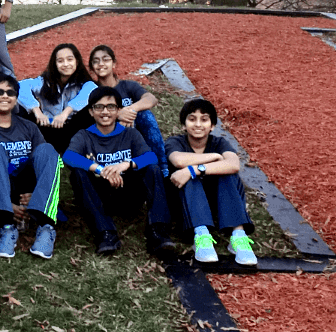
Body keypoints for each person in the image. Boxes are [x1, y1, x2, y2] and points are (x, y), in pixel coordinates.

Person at [63, 86, 174, 256]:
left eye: (111, 107)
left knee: (152, 168)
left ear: (119, 111)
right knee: (77, 173)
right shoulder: (84, 135)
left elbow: (151, 157)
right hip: (99, 195)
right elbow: (69, 157)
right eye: (99, 107)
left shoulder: (130, 134)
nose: (105, 112)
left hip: (129, 193)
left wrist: (125, 165)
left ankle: (158, 231)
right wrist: (101, 170)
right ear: (91, 112)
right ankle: (106, 233)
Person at [0, 73, 62, 260]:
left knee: (48, 150)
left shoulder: (29, 127)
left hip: (26, 187)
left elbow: (44, 163)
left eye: (10, 92)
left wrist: (38, 194)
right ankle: (6, 226)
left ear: (16, 99)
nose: (5, 96)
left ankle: (45, 227)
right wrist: (6, 204)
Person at [166, 99, 257, 265]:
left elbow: (234, 164)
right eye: (192, 119)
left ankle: (238, 236)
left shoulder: (219, 142)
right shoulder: (175, 142)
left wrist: (194, 169)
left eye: (204, 119)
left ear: (213, 125)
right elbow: (178, 160)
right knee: (189, 176)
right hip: (185, 203)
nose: (198, 124)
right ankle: (201, 236)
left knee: (227, 174)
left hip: (216, 202)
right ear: (183, 125)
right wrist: (214, 157)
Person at [89, 45, 169, 177]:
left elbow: (151, 99)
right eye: (96, 61)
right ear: (92, 68)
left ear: (114, 63)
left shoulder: (128, 86)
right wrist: (118, 115)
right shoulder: (92, 90)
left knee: (144, 114)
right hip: (110, 141)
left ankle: (163, 168)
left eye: (105, 59)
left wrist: (130, 110)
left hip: (136, 137)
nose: (101, 64)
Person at [18, 43, 97, 154]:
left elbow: (90, 91)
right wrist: (37, 111)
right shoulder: (44, 81)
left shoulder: (85, 83)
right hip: (47, 128)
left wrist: (64, 114)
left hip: (71, 130)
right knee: (20, 108)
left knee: (90, 111)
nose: (65, 64)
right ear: (54, 64)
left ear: (77, 61)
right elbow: (20, 86)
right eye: (60, 61)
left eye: (70, 59)